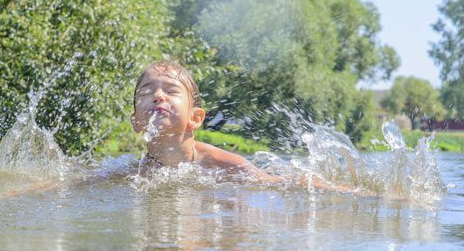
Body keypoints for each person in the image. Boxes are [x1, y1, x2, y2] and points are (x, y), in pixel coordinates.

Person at [131, 60, 344, 191]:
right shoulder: (132, 173)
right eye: (147, 92)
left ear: (195, 118)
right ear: (136, 122)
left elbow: (284, 184)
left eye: (170, 91)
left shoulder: (228, 166)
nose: (158, 96)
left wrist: (352, 193)